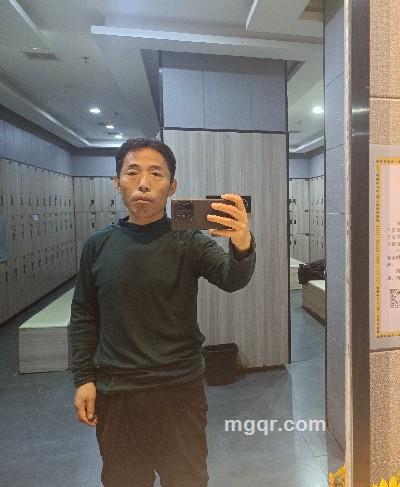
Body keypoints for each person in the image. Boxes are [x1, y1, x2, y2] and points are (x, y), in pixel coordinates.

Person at [70, 137, 256, 487]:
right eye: (132, 172)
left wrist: (242, 241)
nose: (143, 183)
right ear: (117, 181)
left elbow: (232, 278)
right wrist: (83, 378)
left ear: (172, 187)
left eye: (156, 173)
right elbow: (83, 315)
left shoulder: (190, 241)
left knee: (186, 479)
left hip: (179, 389)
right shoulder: (97, 245)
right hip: (117, 391)